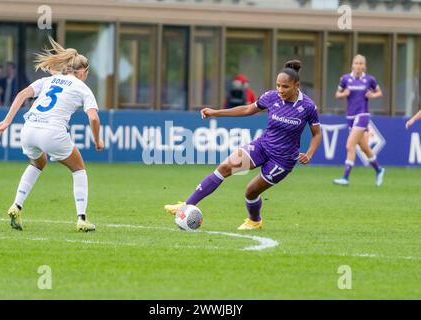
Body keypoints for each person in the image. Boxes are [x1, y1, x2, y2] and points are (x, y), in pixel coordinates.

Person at [165, 60, 322, 230]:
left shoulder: (307, 106)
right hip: (263, 146)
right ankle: (185, 206)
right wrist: (216, 112)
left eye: (285, 87)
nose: (280, 90)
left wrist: (310, 152)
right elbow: (247, 110)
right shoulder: (271, 97)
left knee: (251, 191)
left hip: (282, 160)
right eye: (278, 85)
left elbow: (317, 134)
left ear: (296, 86)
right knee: (225, 167)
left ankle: (255, 221)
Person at [0, 36, 104, 232]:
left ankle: (16, 205)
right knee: (78, 169)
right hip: (52, 132)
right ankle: (82, 218)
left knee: (38, 163)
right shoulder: (83, 88)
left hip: (29, 129)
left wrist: (7, 122)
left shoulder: (49, 80)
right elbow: (93, 118)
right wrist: (97, 140)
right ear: (83, 72)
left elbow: (21, 95)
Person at [333, 54, 385, 187]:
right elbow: (337, 94)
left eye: (361, 63)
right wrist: (343, 94)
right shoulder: (345, 79)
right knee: (365, 148)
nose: (359, 66)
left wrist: (372, 95)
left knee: (349, 145)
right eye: (356, 63)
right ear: (352, 65)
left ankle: (345, 177)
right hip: (350, 117)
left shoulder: (369, 79)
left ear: (365, 66)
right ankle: (379, 170)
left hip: (362, 116)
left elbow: (379, 92)